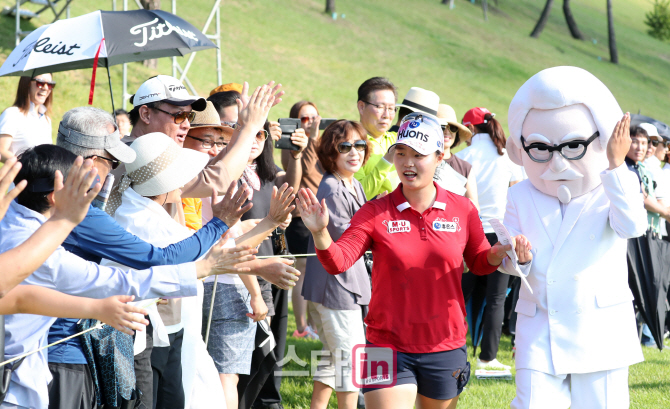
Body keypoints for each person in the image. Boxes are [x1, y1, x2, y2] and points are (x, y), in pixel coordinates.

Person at [0, 144, 256, 409]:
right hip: (32, 374)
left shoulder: (10, 218)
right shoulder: (44, 249)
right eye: (82, 184)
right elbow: (133, 274)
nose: (96, 185)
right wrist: (204, 264)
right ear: (55, 196)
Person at [297, 112, 524, 409]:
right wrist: (320, 232)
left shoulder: (463, 209)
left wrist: (497, 252)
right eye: (401, 153)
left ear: (440, 157)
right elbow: (338, 261)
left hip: (445, 342)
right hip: (385, 344)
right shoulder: (375, 211)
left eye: (418, 155)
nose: (407, 162)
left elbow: (479, 262)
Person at [502, 66, 648, 409]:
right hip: (540, 323)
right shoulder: (521, 194)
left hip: (599, 327)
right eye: (540, 148)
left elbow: (632, 226)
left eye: (572, 146)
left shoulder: (613, 185)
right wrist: (519, 259)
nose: (556, 162)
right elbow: (508, 260)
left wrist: (615, 165)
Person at [235, 118, 307, 409]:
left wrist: (297, 156)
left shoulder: (266, 173)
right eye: (248, 134)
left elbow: (291, 186)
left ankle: (266, 400)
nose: (254, 140)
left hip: (277, 261)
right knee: (255, 346)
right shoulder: (228, 174)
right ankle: (243, 401)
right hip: (247, 269)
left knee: (273, 341)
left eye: (261, 134)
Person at [302, 120, 371, 409]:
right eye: (345, 147)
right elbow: (347, 239)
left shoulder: (351, 182)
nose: (354, 152)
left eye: (359, 145)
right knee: (351, 360)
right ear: (332, 152)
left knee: (334, 356)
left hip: (343, 284)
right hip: (337, 285)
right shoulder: (332, 187)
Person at [455, 106, 523, 370]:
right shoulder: (507, 158)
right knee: (496, 298)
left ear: (470, 129)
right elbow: (517, 195)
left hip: (469, 230)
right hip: (501, 232)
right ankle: (488, 358)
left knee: (459, 295)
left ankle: (451, 347)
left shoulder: (463, 156)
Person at [281, 100, 324, 340]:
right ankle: (301, 327)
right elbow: (305, 169)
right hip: (299, 216)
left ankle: (314, 324)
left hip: (318, 214)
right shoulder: (292, 144)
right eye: (305, 119)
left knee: (317, 271)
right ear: (296, 121)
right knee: (302, 270)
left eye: (314, 118)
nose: (310, 124)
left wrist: (316, 140)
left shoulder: (318, 143)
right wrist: (311, 141)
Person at [353, 77, 399, 198]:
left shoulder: (398, 139)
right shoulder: (350, 145)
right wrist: (387, 161)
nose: (387, 115)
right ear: (361, 107)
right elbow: (358, 195)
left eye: (391, 108)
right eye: (380, 107)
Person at [0, 74, 54, 162]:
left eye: (50, 84)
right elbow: (1, 151)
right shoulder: (12, 114)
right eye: (40, 83)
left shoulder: (46, 120)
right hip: (19, 174)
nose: (45, 88)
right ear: (27, 83)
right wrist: (29, 167)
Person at [433, 104, 477, 207]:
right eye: (442, 127)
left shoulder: (465, 168)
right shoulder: (422, 160)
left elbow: (474, 207)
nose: (447, 132)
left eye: (452, 127)